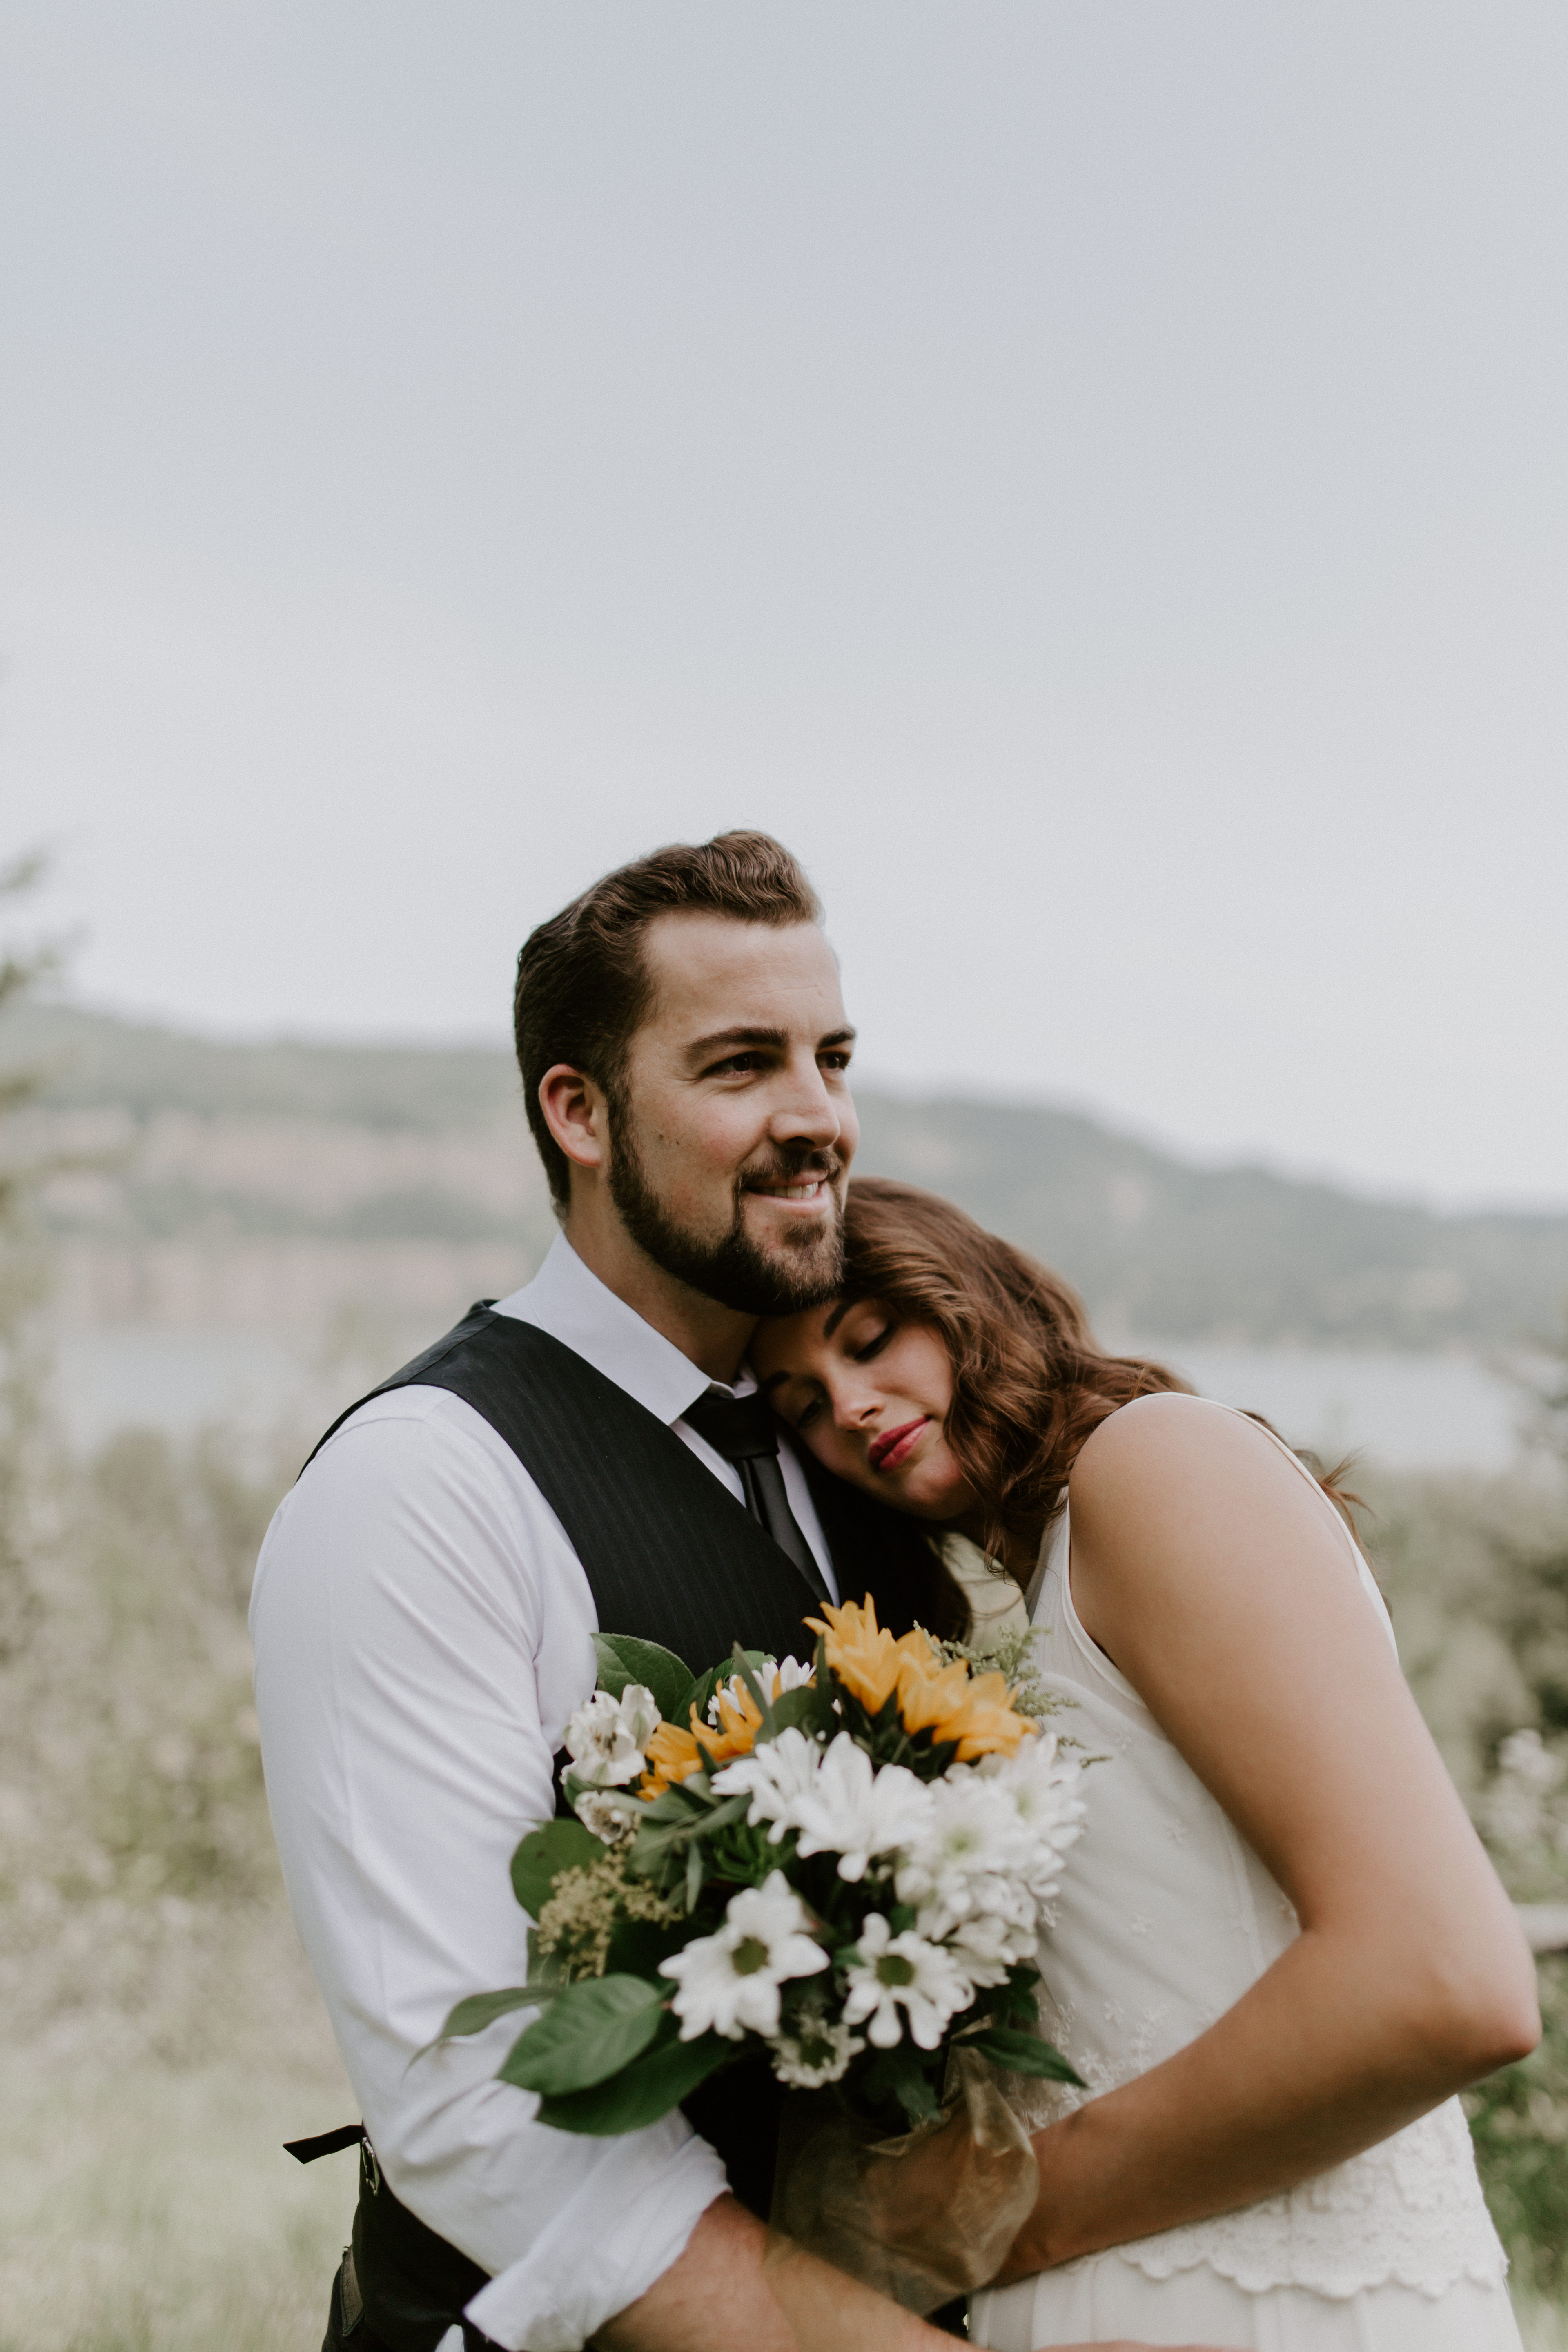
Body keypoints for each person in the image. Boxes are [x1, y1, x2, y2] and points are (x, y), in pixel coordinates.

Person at [251, 836, 1199, 2352]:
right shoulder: (423, 1485)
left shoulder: (852, 1446)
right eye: (743, 1064)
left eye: (832, 1058)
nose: (817, 1116)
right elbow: (476, 2113)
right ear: (578, 1110)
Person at [751, 1176, 1542, 2352]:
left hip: (1284, 2310)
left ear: (969, 1297)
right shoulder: (1017, 1628)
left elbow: (1448, 1982)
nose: (854, 1407)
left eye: (873, 1342)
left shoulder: (1155, 1464)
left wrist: (993, 2217)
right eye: (804, 1405)